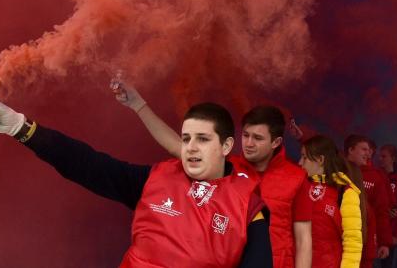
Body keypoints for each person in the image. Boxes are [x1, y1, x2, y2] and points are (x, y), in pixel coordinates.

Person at [0, 97, 272, 267]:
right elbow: (86, 164)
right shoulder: (155, 179)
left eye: (203, 139)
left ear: (226, 146)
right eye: (186, 138)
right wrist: (21, 128)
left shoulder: (250, 208)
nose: (191, 147)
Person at [114, 82, 312, 268]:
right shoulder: (223, 166)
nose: (249, 143)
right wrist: (139, 105)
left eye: (257, 138)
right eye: (245, 135)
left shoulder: (296, 178)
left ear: (276, 142)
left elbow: (303, 238)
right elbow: (176, 145)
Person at [299, 135, 365, 268]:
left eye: (304, 157)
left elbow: (352, 241)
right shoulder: (300, 187)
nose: (300, 162)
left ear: (320, 159)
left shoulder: (345, 192)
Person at [344, 134, 393, 268]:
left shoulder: (376, 177)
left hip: (365, 245)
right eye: (364, 149)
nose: (368, 153)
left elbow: (382, 212)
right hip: (341, 242)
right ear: (351, 150)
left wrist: (384, 242)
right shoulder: (338, 172)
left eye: (369, 150)